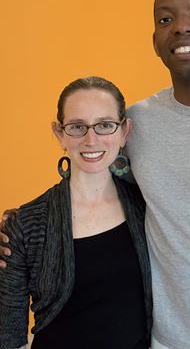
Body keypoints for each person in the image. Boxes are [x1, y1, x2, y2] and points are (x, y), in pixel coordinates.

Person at [1, 0, 190, 349]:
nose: (182, 27)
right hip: (164, 341)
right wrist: (18, 226)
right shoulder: (140, 122)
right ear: (155, 43)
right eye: (166, 20)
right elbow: (94, 165)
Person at [0, 76, 152, 349]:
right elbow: (8, 335)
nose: (91, 139)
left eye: (105, 125)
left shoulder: (148, 207)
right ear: (59, 134)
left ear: (124, 131)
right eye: (77, 127)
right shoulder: (23, 225)